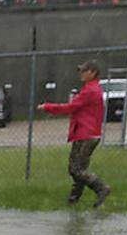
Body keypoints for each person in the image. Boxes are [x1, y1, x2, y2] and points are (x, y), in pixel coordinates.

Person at [38, 60, 111, 208]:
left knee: (76, 169)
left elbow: (70, 107)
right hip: (87, 133)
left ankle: (101, 188)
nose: (81, 74)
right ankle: (73, 199)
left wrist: (47, 107)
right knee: (79, 169)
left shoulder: (91, 90)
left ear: (93, 73)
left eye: (84, 71)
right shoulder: (91, 88)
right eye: (81, 71)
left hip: (86, 134)